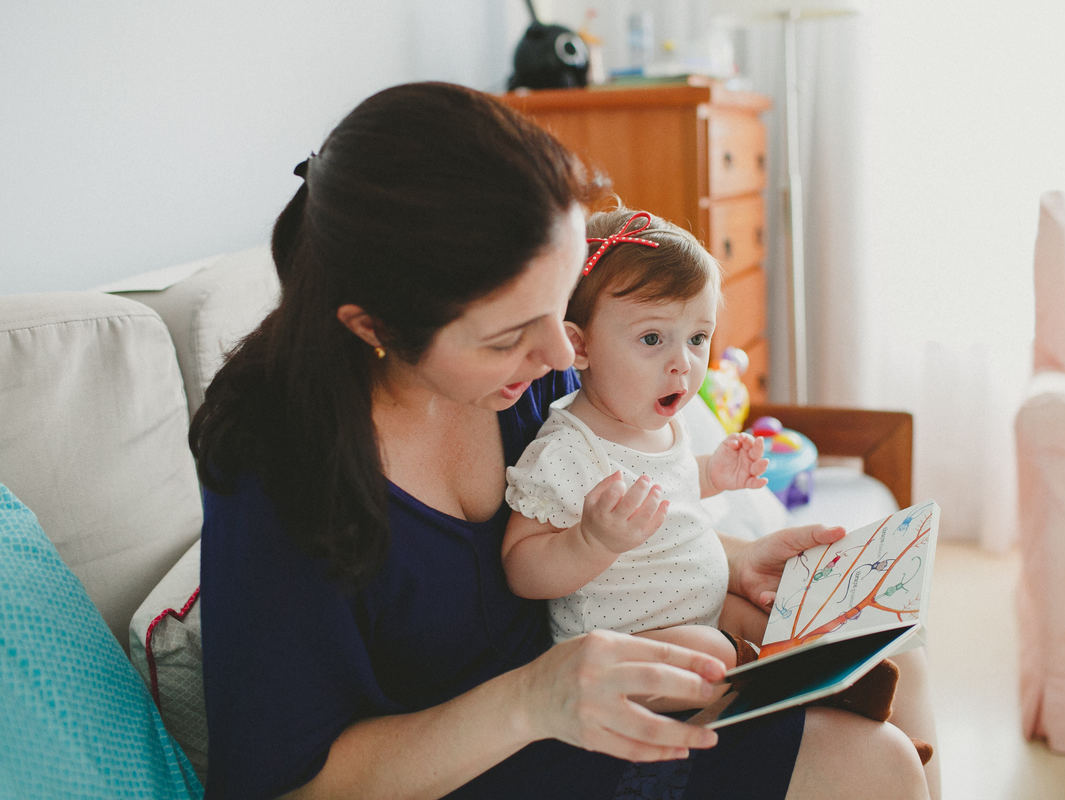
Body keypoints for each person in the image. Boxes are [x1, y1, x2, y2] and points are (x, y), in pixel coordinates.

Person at [192, 81, 937, 799]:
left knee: (900, 663)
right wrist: (533, 700)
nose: (558, 355)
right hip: (472, 760)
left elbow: (611, 498)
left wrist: (731, 563)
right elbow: (292, 787)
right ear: (373, 328)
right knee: (875, 767)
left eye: (557, 310)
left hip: (595, 697)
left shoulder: (533, 376)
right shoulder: (276, 471)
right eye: (510, 335)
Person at [502, 208, 771, 672]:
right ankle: (774, 684)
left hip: (702, 616)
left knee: (774, 622)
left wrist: (712, 473)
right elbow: (519, 566)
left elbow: (670, 485)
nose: (683, 363)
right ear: (579, 348)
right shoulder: (567, 452)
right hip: (620, 657)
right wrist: (591, 541)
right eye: (652, 338)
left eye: (697, 338)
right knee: (716, 650)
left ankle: (826, 678)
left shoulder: (665, 427)